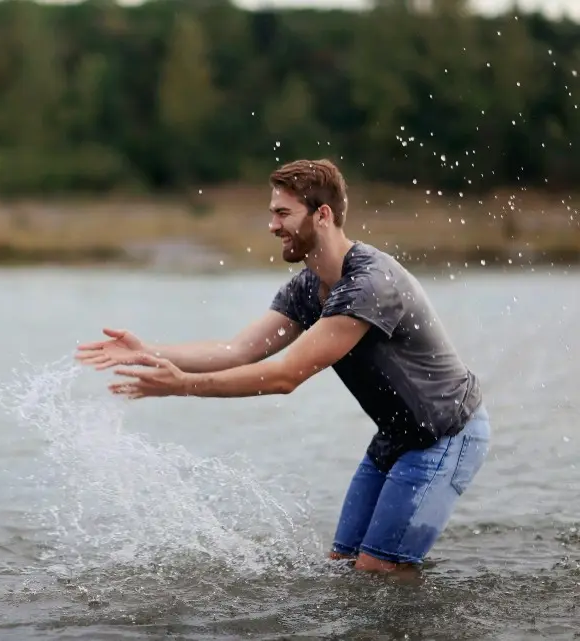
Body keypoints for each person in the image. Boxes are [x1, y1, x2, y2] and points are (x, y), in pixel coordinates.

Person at [74, 159, 490, 574]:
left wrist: (182, 384)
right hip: (396, 436)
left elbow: (285, 376)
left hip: (445, 433)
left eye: (282, 213)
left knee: (379, 570)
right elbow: (238, 350)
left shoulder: (368, 285)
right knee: (343, 566)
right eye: (272, 213)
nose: (272, 226)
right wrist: (150, 351)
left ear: (322, 215)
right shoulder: (308, 286)